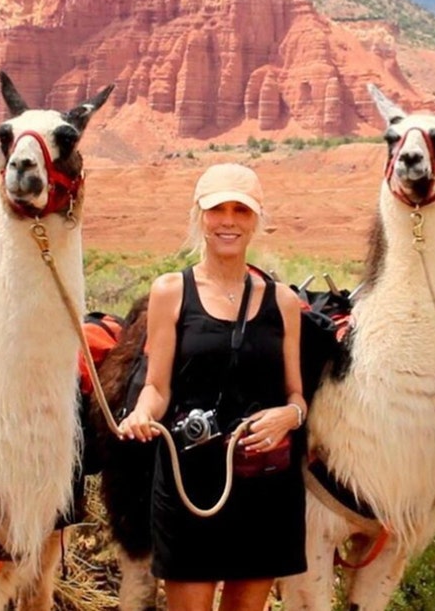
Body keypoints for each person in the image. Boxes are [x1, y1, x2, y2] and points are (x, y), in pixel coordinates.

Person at [119, 163, 307, 611]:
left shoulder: (283, 301)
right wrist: (142, 413)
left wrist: (290, 415)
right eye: (217, 209)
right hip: (190, 481)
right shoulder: (170, 292)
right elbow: (157, 385)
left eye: (240, 211)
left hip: (264, 480)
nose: (228, 221)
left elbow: (296, 393)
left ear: (255, 219)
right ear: (199, 216)